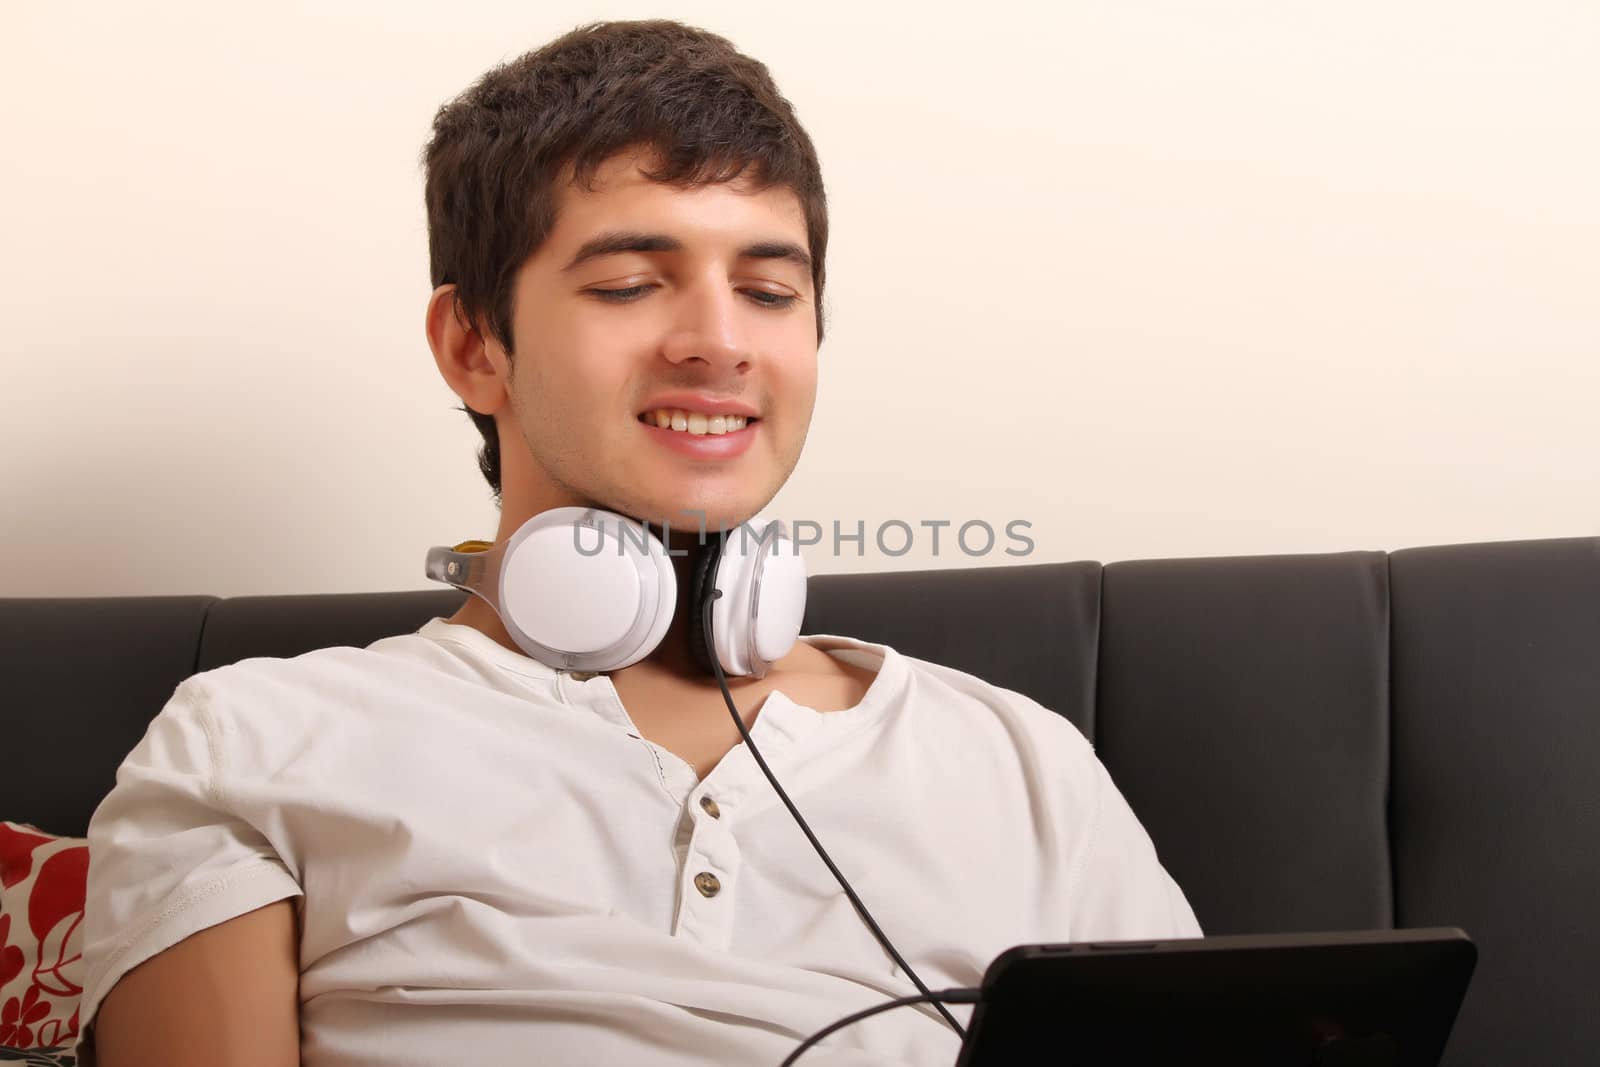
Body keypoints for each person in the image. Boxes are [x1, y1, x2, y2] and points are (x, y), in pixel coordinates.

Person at [76, 19, 1199, 1066]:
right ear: (474, 344)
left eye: (768, 289)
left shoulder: (1020, 760)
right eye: (628, 283)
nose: (718, 342)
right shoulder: (248, 743)